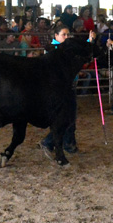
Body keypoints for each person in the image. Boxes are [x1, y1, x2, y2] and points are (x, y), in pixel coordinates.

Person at [40, 25, 78, 155]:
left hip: (66, 87)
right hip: (59, 89)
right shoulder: (53, 50)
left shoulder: (64, 49)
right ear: (56, 36)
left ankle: (69, 143)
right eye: (64, 35)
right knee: (66, 118)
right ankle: (51, 142)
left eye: (68, 35)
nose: (67, 37)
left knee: (69, 117)